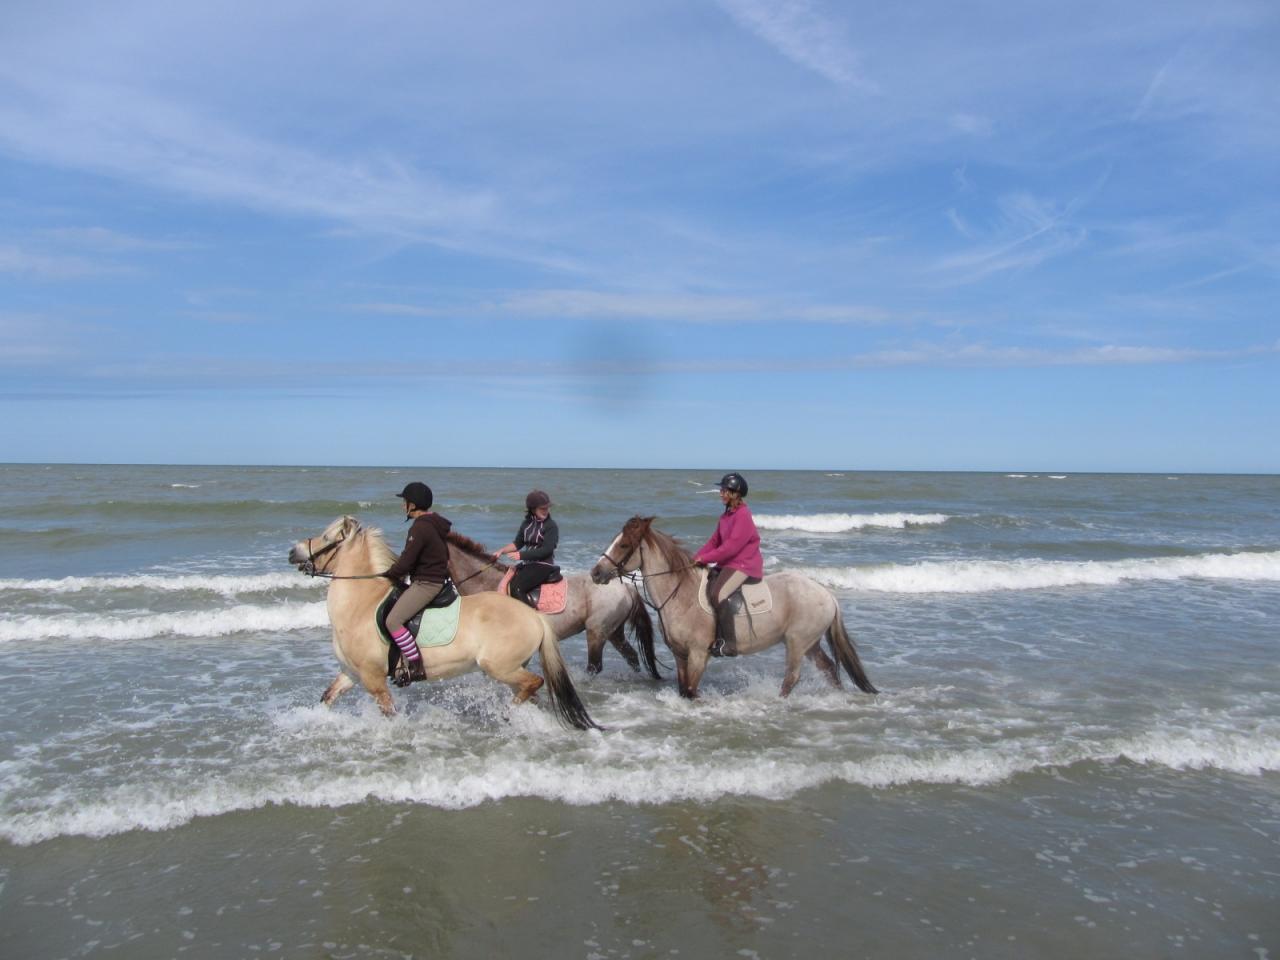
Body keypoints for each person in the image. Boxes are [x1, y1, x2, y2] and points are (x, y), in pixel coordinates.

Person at [382, 481, 452, 682]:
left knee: (393, 621)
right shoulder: (434, 523)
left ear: (412, 505)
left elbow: (406, 562)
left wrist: (388, 573)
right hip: (432, 579)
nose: (402, 505)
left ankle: (415, 665)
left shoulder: (419, 528)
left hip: (426, 584)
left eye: (405, 501)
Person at [692, 472, 762, 657]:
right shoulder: (726, 516)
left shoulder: (743, 515)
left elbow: (731, 547)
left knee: (718, 593)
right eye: (721, 490)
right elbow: (714, 542)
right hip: (728, 563)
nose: (720, 493)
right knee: (706, 587)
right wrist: (695, 557)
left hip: (744, 564)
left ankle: (730, 644)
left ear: (735, 493)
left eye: (724, 490)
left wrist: (706, 559)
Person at [493, 489, 561, 608]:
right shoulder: (526, 524)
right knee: (506, 584)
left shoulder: (551, 526)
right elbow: (517, 544)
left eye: (547, 508)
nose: (546, 511)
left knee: (517, 588)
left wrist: (521, 555)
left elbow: (547, 550)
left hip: (543, 565)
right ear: (533, 509)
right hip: (528, 564)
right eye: (542, 508)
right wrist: (501, 551)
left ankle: (533, 618)